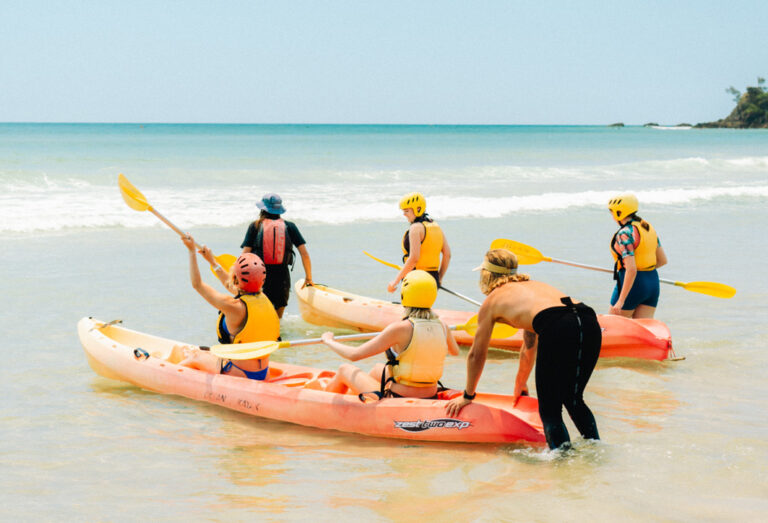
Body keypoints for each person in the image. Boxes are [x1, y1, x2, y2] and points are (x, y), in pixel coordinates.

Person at [445, 249, 601, 450]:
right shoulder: (533, 287)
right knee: (573, 398)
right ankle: (597, 452)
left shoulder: (492, 301)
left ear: (486, 275)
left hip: (556, 324)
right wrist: (521, 382)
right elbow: (530, 341)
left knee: (550, 411)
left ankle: (562, 468)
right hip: (588, 319)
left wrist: (468, 396)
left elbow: (476, 354)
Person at [318, 270, 459, 398]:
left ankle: (322, 401)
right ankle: (355, 398)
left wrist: (329, 340)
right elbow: (455, 352)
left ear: (405, 295)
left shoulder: (399, 329)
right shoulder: (443, 326)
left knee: (344, 369)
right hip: (430, 393)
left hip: (399, 397)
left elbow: (354, 355)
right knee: (377, 370)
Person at [178, 234, 281, 381]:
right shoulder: (263, 299)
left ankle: (165, 377)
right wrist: (212, 262)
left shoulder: (232, 306)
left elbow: (197, 285)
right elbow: (231, 284)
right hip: (264, 372)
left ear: (235, 279)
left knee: (196, 355)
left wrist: (191, 251)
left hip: (239, 372)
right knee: (210, 354)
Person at [241, 193, 313, 318]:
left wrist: (238, 278)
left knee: (260, 316)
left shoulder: (255, 226)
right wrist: (309, 278)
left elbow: (245, 255)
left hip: (259, 276)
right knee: (277, 320)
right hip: (282, 278)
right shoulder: (290, 226)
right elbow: (304, 254)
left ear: (262, 209)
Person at [607, 194, 668, 318]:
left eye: (612, 212)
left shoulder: (625, 234)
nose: (612, 216)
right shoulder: (647, 227)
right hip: (652, 283)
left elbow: (632, 269)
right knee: (641, 331)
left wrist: (621, 300)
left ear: (619, 213)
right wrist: (644, 272)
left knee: (616, 328)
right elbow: (662, 260)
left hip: (633, 285)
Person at [387, 192, 451, 293]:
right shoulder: (436, 226)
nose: (404, 214)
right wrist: (439, 278)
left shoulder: (415, 228)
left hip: (416, 279)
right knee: (424, 308)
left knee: (411, 308)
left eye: (407, 211)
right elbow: (447, 254)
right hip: (433, 280)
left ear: (417, 209)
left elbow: (414, 259)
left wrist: (395, 282)